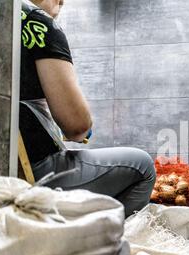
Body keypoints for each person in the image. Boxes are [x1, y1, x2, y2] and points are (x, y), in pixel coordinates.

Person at [19, 0, 155, 217]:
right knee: (142, 165)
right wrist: (79, 124)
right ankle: (102, 245)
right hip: (28, 174)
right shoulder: (37, 22)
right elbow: (77, 126)